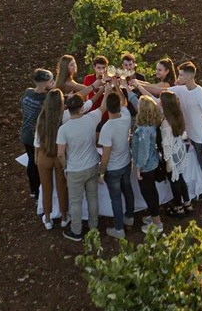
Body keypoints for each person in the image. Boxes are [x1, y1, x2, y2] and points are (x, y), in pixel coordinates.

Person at [137, 61, 202, 215]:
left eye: (181, 74)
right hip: (191, 136)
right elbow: (159, 90)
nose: (178, 77)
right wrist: (137, 83)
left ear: (189, 76)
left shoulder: (201, 95)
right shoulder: (182, 90)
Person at [59, 93, 103, 241]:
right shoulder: (91, 119)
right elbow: (103, 108)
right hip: (92, 165)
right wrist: (107, 90)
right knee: (93, 197)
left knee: (76, 201)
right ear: (82, 108)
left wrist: (65, 167)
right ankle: (94, 226)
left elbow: (60, 154)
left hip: (74, 169)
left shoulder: (63, 129)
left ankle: (76, 230)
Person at [98, 80, 135, 238]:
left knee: (116, 198)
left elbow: (105, 154)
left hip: (113, 168)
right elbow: (124, 102)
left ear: (107, 106)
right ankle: (130, 217)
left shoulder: (107, 128)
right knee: (128, 190)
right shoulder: (126, 116)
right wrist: (118, 88)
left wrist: (101, 172)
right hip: (126, 163)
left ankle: (119, 229)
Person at [35, 88, 69, 230]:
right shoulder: (65, 116)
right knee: (62, 187)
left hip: (44, 154)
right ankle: (64, 217)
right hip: (58, 155)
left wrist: (37, 156)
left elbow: (37, 141)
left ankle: (48, 219)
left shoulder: (42, 117)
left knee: (46, 188)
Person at [131, 95, 165, 233]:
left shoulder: (143, 130)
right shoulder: (152, 125)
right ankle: (154, 216)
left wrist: (138, 167)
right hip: (153, 162)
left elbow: (143, 152)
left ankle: (157, 224)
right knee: (152, 192)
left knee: (148, 194)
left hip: (146, 167)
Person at [20, 69, 54, 200]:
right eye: (51, 81)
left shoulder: (28, 92)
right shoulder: (45, 99)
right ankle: (39, 190)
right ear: (45, 83)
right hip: (37, 136)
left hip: (25, 133)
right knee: (37, 163)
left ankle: (33, 189)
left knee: (30, 161)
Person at [159, 90, 192, 217]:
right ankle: (187, 203)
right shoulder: (178, 116)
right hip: (180, 152)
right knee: (181, 178)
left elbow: (167, 145)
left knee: (175, 182)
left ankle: (178, 207)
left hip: (172, 156)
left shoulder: (166, 123)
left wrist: (168, 161)